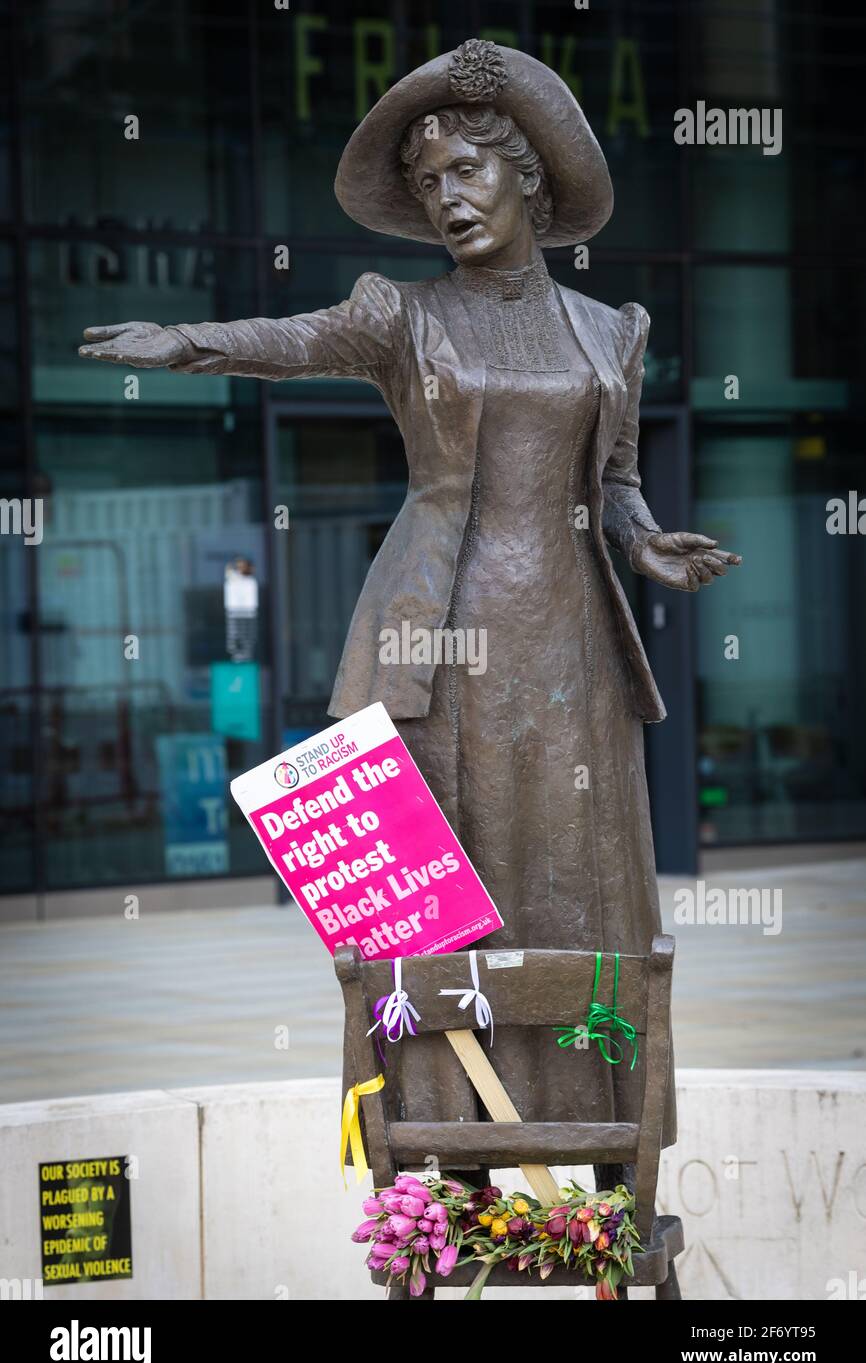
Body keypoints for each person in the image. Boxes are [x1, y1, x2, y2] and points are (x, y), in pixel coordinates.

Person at [79, 39, 741, 1191]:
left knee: (575, 879)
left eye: (468, 173)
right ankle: (453, 1157)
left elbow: (616, 479)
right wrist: (188, 342)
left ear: (529, 182)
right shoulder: (402, 317)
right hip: (434, 648)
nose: (448, 198)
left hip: (574, 645)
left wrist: (646, 547)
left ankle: (599, 1156)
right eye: (429, 183)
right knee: (451, 897)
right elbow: (295, 342)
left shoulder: (608, 331)